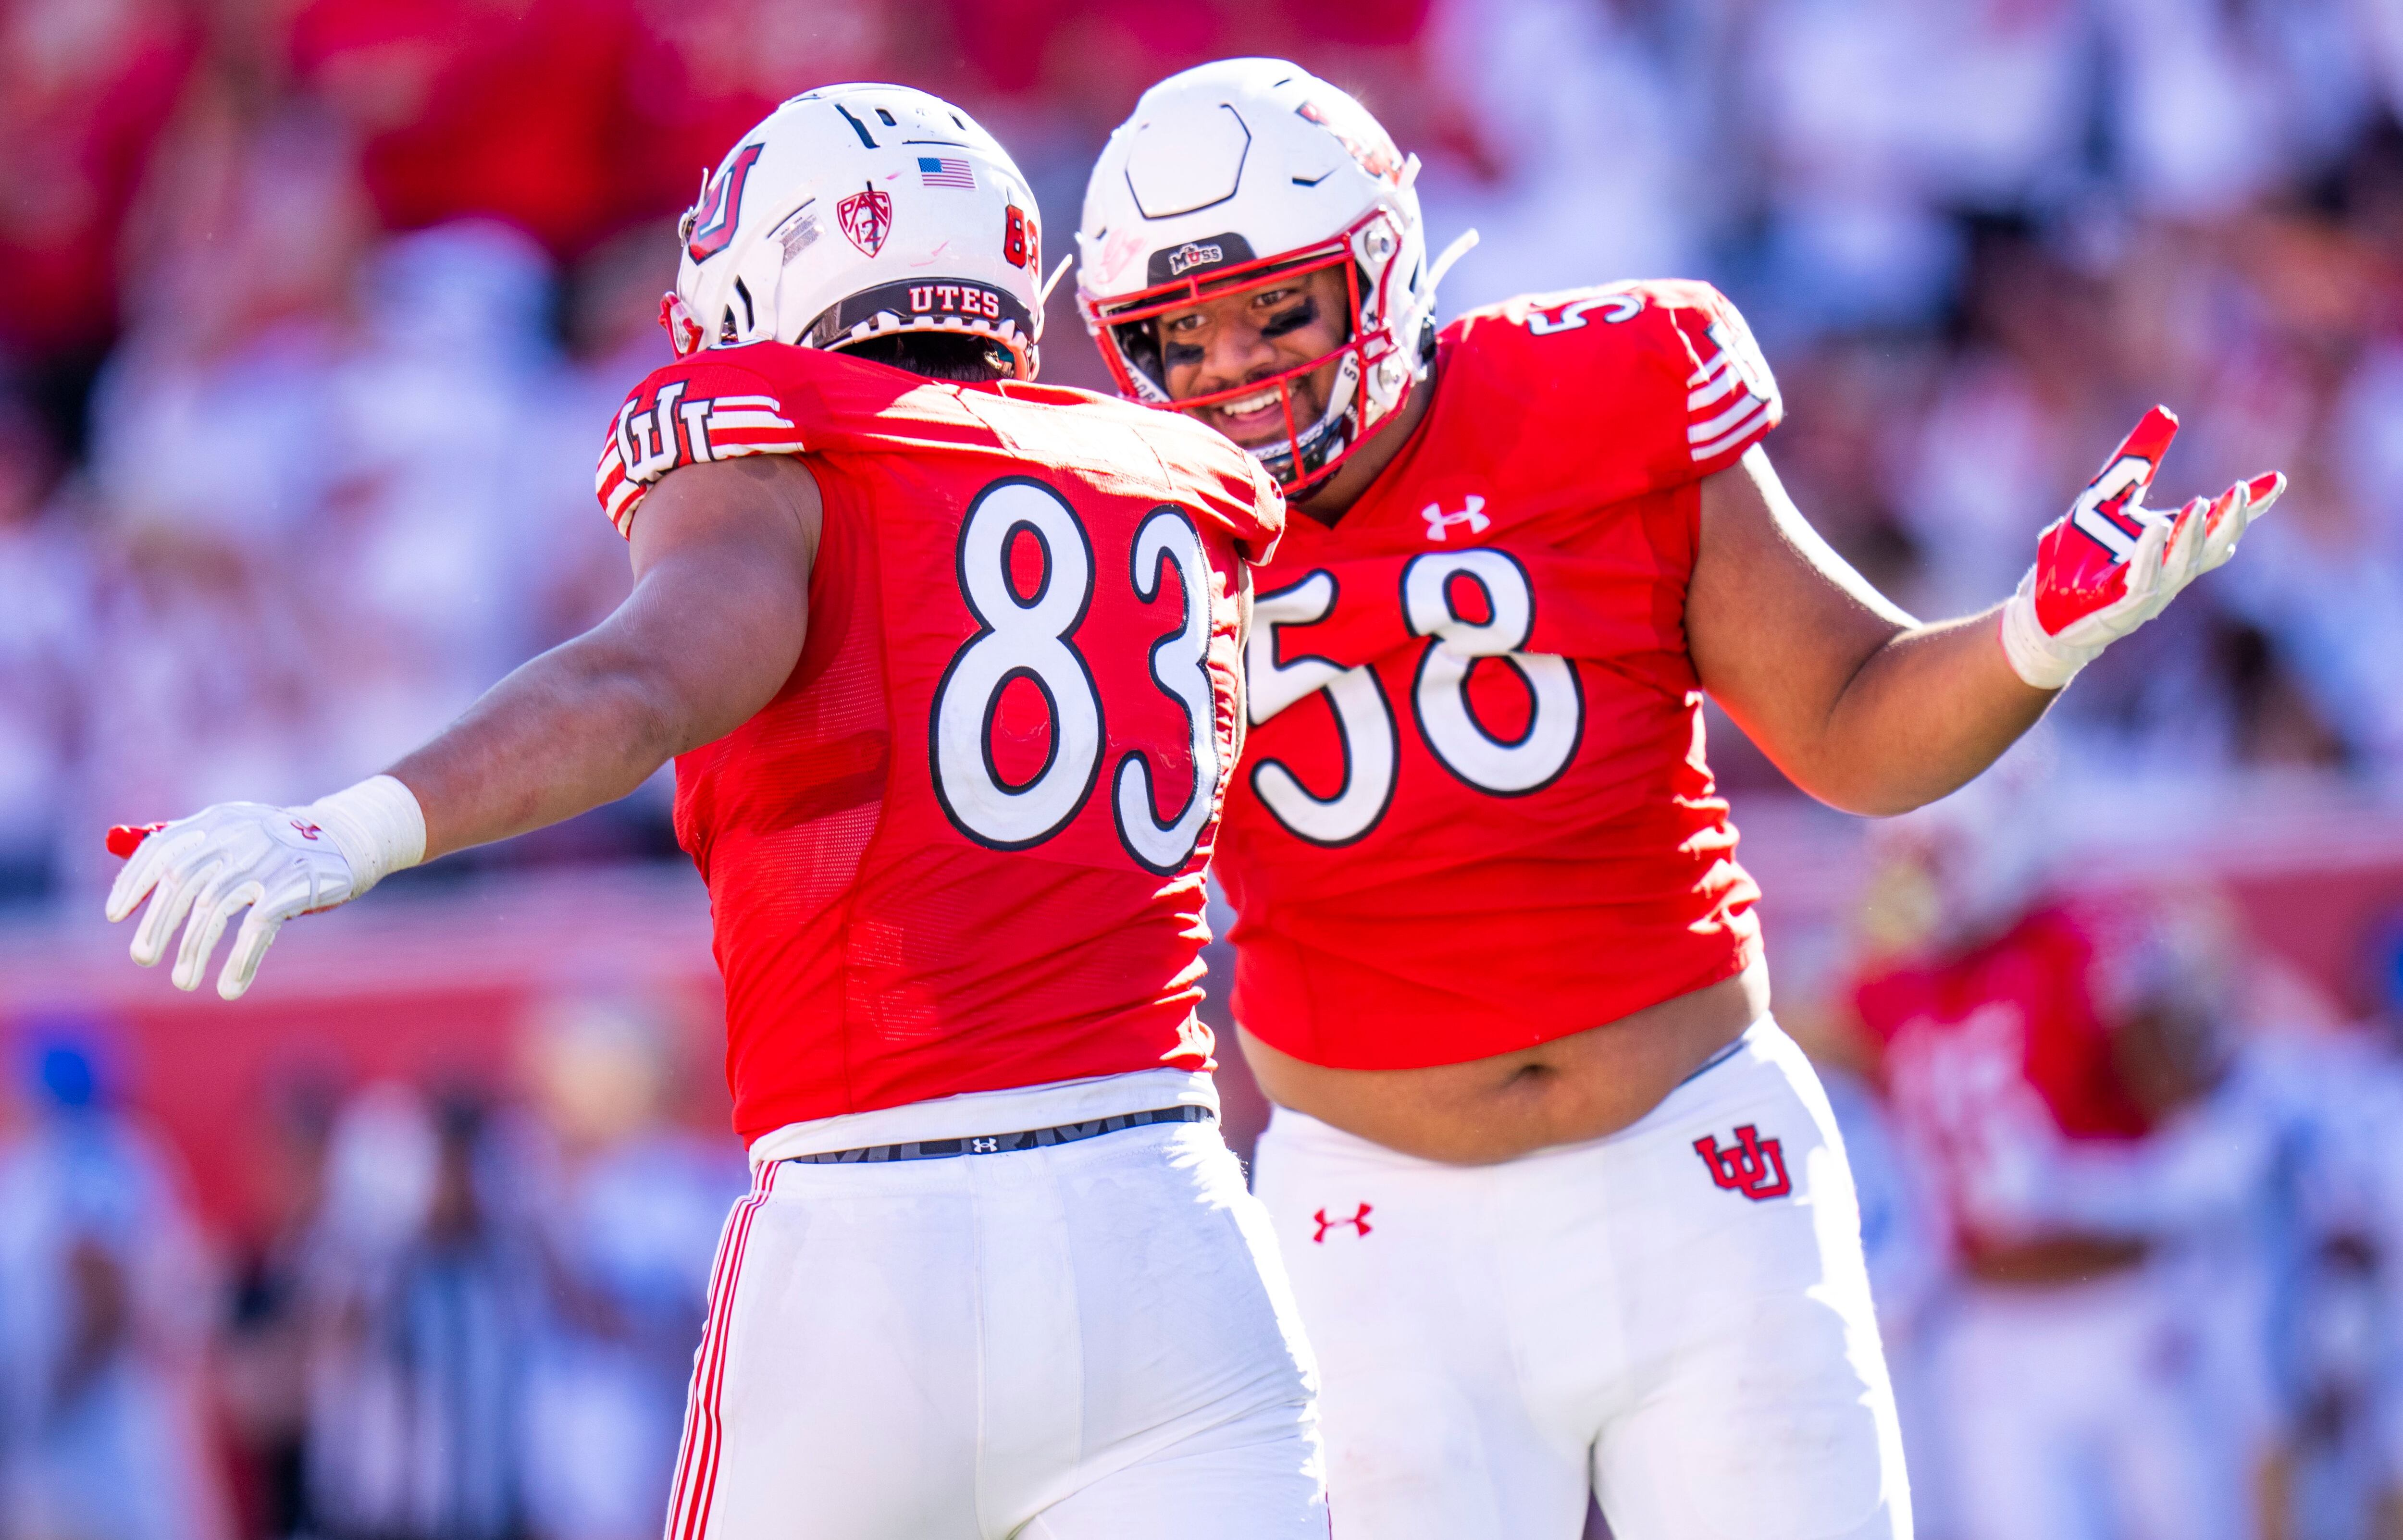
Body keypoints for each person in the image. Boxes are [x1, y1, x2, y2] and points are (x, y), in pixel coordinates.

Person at [1072, 57, 2284, 1540]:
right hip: (1374, 1224)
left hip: (1694, 1173)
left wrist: (2031, 634)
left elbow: (1847, 720)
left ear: (1378, 270)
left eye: (1274, 313)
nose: (1228, 376)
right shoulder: (1120, 516)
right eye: (1176, 339)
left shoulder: (1610, 387)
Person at [103, 84, 1327, 1539]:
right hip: (1177, 1233)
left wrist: (356, 826)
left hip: (881, 1239)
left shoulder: (781, 445)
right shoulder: (1179, 483)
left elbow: (641, 683)